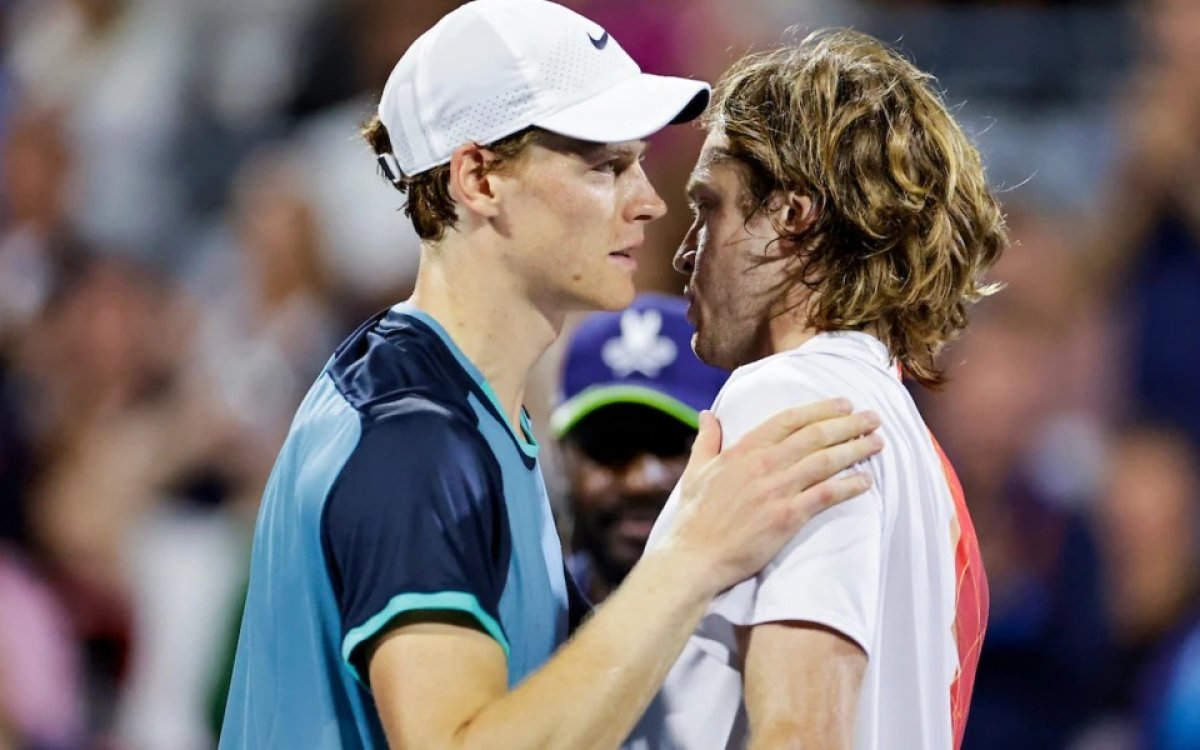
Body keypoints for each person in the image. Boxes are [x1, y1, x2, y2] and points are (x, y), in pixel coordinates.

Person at [219, 3, 884, 748]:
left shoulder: (463, 409)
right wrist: (694, 555)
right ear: (479, 178)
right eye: (605, 168)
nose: (649, 203)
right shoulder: (415, 436)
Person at [627, 29, 1009, 749]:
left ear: (791, 217)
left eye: (708, 208)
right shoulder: (900, 433)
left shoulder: (788, 396)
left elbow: (801, 734)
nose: (683, 250)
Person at [551, 293, 728, 604]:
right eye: (607, 447)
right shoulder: (522, 625)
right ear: (563, 458)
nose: (640, 481)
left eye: (671, 444)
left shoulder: (765, 626)